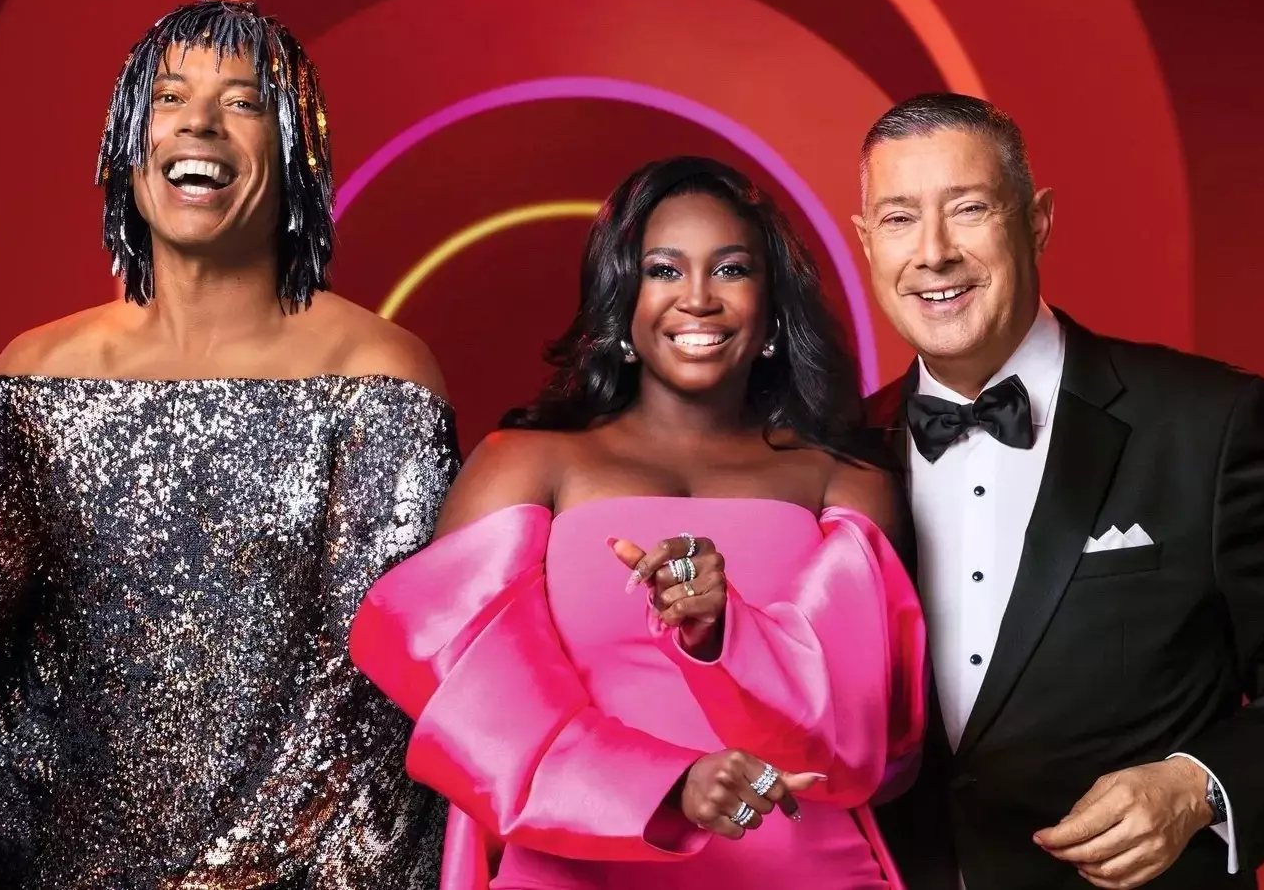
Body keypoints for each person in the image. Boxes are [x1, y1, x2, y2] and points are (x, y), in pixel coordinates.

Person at [0, 0, 455, 889]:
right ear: (129, 144)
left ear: (295, 151)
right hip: (84, 864)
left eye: (244, 102)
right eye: (169, 96)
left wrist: (214, 879)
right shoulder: (41, 374)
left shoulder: (381, 375)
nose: (199, 122)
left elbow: (363, 691)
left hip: (302, 869)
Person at [349, 156, 927, 890]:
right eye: (663, 270)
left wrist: (726, 630)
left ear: (774, 311)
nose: (697, 299)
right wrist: (669, 785)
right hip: (575, 871)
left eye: (730, 270)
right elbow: (475, 714)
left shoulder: (844, 480)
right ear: (622, 301)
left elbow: (873, 731)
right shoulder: (525, 467)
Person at [856, 92, 1264, 890]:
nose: (933, 252)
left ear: (1037, 221)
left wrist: (1197, 784)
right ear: (865, 242)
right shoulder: (840, 452)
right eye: (898, 219)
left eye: (968, 209)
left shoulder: (1210, 421)